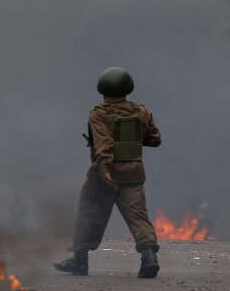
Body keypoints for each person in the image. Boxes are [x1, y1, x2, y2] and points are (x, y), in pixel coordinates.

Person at [54, 67, 162, 277]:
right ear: (128, 87)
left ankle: (80, 261)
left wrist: (104, 170)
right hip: (133, 172)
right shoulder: (141, 111)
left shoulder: (99, 113)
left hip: (105, 174)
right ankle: (149, 257)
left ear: (102, 87)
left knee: (90, 214)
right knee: (138, 217)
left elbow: (103, 144)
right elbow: (155, 139)